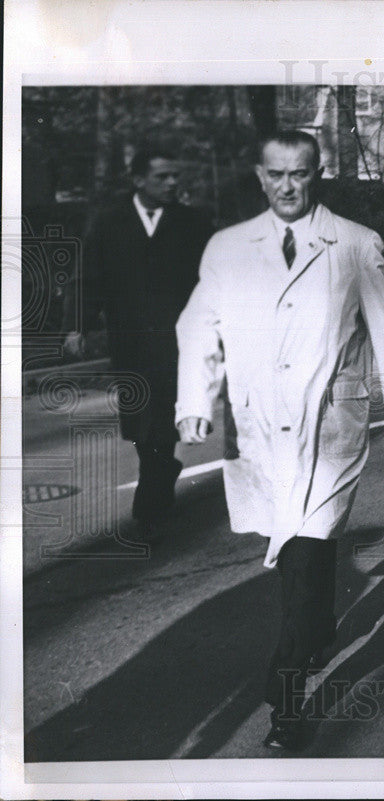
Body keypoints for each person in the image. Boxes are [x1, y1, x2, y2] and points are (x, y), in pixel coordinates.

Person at [174, 130, 384, 750]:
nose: (289, 186)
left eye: (301, 174)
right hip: (259, 428)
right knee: (298, 564)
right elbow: (198, 324)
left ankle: (285, 706)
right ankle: (316, 634)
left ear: (318, 174)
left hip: (331, 423)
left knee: (305, 557)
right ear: (261, 176)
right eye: (277, 174)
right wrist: (194, 403)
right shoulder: (230, 248)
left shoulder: (354, 244)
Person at [62, 147, 214, 528]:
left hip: (180, 341)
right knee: (140, 423)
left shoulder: (192, 223)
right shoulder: (110, 222)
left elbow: (213, 278)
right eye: (163, 176)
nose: (172, 183)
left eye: (175, 176)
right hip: (130, 342)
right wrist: (76, 326)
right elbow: (88, 278)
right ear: (139, 179)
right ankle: (163, 470)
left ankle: (150, 508)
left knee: (163, 418)